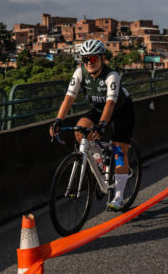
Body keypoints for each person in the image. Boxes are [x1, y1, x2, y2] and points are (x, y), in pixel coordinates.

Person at [49, 39, 135, 211]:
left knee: (119, 153)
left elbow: (110, 104)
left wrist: (103, 124)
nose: (89, 63)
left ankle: (118, 197)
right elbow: (69, 98)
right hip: (98, 109)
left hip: (121, 111)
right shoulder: (80, 73)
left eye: (93, 59)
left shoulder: (112, 76)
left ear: (102, 58)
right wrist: (58, 120)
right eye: (85, 59)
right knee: (80, 131)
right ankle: (101, 161)